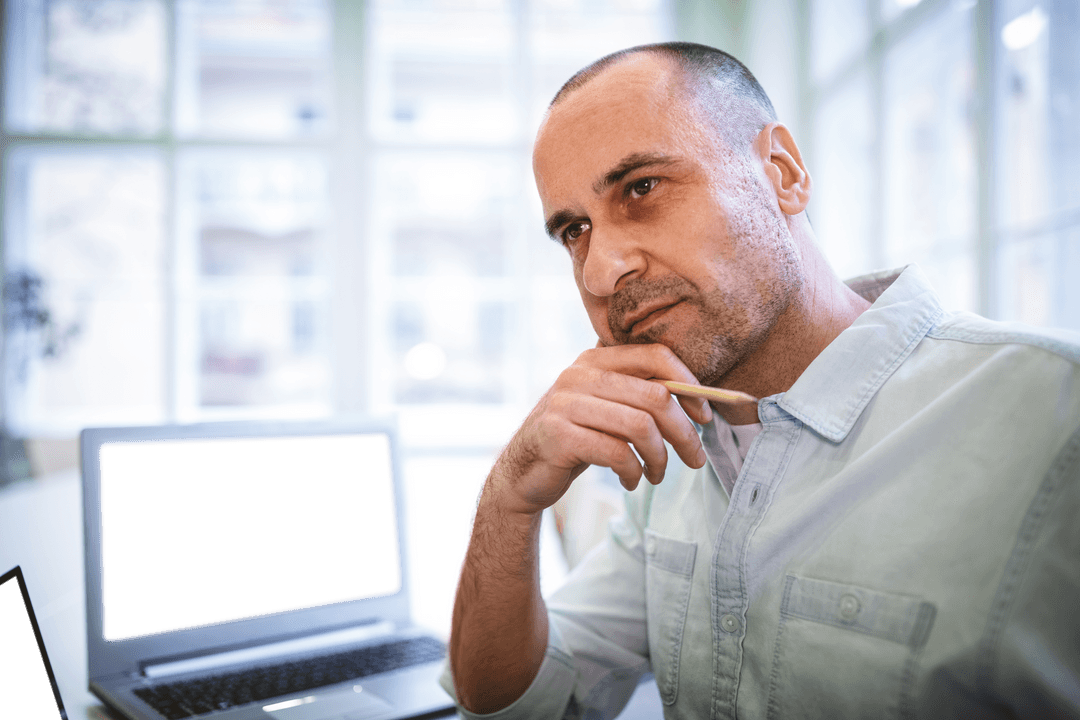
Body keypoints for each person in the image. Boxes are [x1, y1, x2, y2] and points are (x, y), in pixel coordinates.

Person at [441, 41, 1080, 719]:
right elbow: (521, 703)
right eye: (575, 230)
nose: (600, 272)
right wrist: (509, 499)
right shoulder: (675, 451)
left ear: (782, 173)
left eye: (641, 188)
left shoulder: (1054, 417)